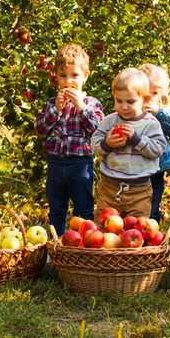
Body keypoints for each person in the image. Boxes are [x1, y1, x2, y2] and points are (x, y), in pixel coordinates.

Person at [35, 45, 104, 236]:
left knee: (83, 207)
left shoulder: (91, 103)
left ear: (85, 76)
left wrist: (80, 106)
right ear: (56, 77)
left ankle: (84, 244)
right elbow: (40, 127)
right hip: (55, 163)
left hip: (80, 164)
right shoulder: (51, 103)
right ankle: (56, 246)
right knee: (56, 208)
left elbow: (97, 128)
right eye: (63, 76)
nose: (69, 81)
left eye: (74, 75)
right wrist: (56, 109)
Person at [91, 68, 165, 221]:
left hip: (139, 190)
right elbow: (95, 145)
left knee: (138, 229)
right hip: (109, 187)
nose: (124, 107)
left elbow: (157, 150)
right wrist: (107, 144)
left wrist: (137, 139)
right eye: (119, 101)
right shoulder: (109, 121)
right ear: (114, 97)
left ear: (145, 100)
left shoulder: (151, 124)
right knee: (104, 227)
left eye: (130, 102)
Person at [138, 63, 170, 223]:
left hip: (156, 167)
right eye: (145, 91)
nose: (149, 97)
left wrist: (158, 112)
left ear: (160, 94)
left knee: (153, 202)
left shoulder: (164, 111)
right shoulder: (131, 110)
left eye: (154, 92)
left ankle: (153, 235)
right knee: (133, 201)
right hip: (135, 167)